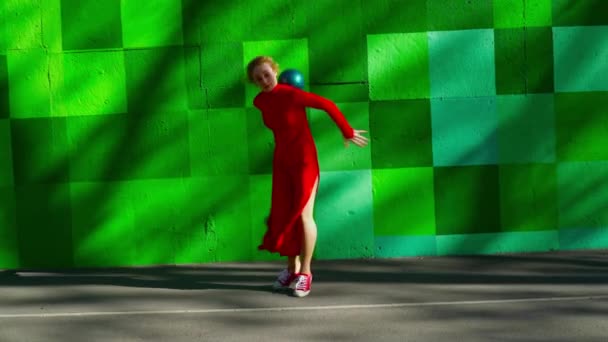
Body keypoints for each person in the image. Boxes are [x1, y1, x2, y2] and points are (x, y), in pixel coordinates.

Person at [246, 56, 369, 297]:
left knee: (304, 216)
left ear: (274, 71)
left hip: (304, 162)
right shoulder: (260, 101)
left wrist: (347, 131)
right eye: (258, 79)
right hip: (282, 163)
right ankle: (291, 269)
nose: (263, 81)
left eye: (266, 74)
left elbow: (328, 105)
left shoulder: (292, 95)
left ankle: (306, 273)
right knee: (284, 216)